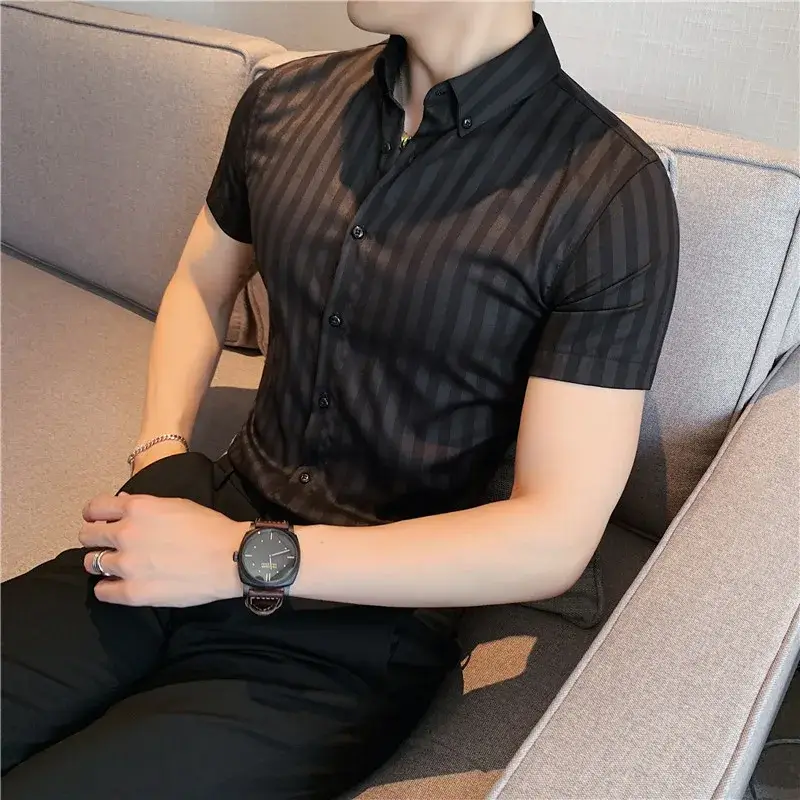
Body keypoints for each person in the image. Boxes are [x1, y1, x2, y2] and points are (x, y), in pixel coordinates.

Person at [1, 2, 679, 798]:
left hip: (359, 619)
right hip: (193, 514)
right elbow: (200, 283)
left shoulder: (608, 192)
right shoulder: (283, 101)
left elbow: (553, 538)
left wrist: (242, 557)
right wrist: (161, 448)